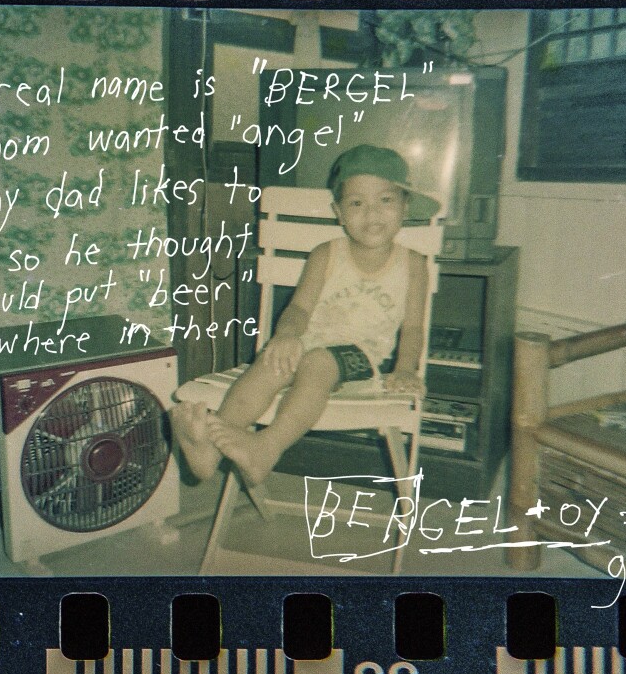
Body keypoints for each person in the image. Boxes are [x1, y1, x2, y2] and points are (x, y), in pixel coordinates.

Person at [173, 144, 440, 487]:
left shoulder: (413, 265)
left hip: (361, 361)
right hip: (308, 344)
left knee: (319, 362)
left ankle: (266, 448)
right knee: (270, 364)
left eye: (385, 200)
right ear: (339, 212)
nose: (371, 213)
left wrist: (405, 368)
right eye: (356, 203)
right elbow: (299, 308)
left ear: (405, 206)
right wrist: (286, 336)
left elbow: (414, 328)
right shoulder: (325, 254)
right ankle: (209, 451)